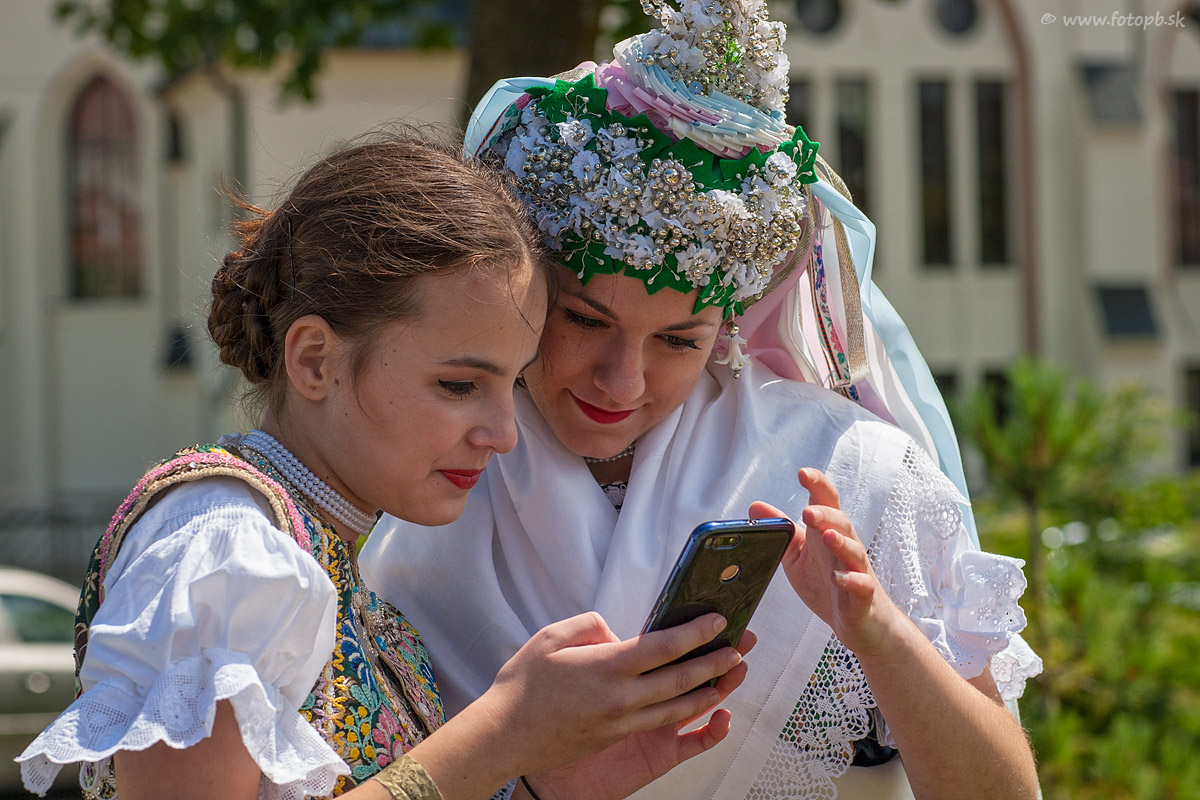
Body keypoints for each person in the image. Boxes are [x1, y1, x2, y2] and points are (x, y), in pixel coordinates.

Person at [360, 3, 1044, 799]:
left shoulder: (858, 476)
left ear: (730, 328)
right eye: (586, 321)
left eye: (678, 341)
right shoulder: (429, 492)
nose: (622, 381)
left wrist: (879, 633)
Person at [16, 132, 750, 800]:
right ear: (315, 360)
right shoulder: (227, 544)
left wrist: (541, 788)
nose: (503, 434)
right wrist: (501, 733)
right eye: (459, 385)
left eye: (512, 383)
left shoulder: (329, 555)